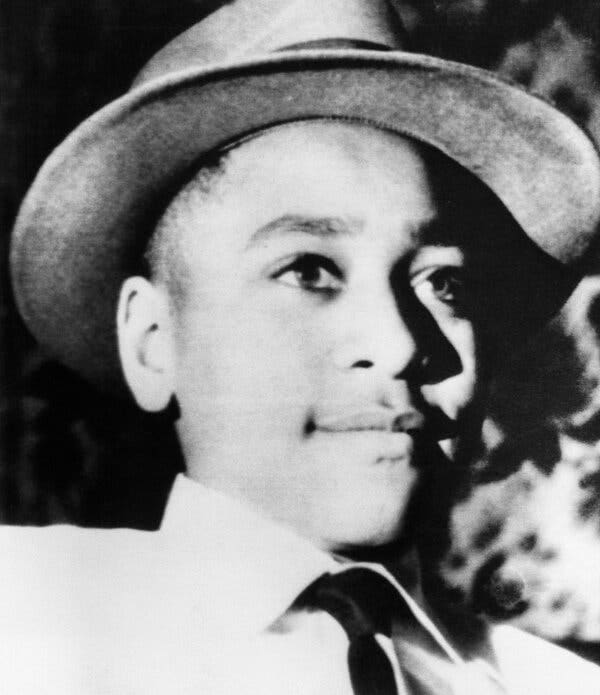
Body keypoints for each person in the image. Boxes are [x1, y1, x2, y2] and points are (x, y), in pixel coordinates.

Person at [5, 0, 600, 693]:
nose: (398, 344)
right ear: (152, 339)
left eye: (444, 283)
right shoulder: (24, 618)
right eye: (309, 270)